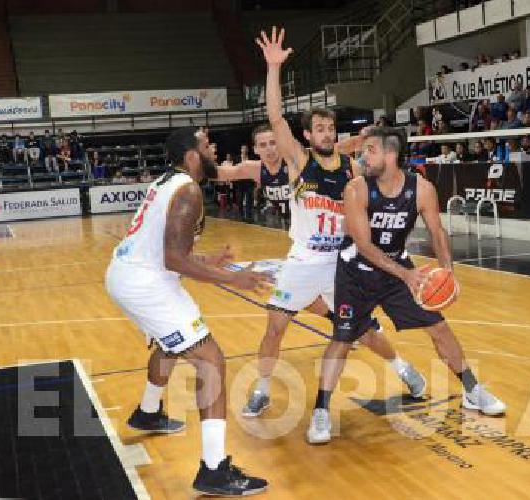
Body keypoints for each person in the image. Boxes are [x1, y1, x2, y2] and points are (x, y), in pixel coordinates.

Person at [242, 26, 428, 418]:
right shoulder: (299, 161)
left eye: (331, 128)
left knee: (364, 330)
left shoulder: (352, 167)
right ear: (308, 135)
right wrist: (274, 68)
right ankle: (260, 390)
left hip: (343, 263)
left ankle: (405, 370)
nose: (327, 133)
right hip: (305, 260)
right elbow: (275, 116)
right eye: (320, 129)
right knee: (275, 325)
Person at [306, 126, 507, 444]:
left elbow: (438, 232)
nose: (362, 156)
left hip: (397, 271)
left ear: (391, 154)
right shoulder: (357, 188)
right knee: (342, 340)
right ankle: (321, 411)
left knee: (439, 327)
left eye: (370, 150)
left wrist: (447, 272)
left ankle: (472, 390)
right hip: (356, 273)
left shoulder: (421, 189)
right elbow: (364, 245)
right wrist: (407, 275)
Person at [104, 127, 270, 496]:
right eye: (207, 146)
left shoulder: (167, 182)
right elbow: (173, 258)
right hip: (146, 283)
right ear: (192, 156)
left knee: (172, 344)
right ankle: (214, 470)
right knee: (209, 359)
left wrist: (208, 261)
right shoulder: (189, 190)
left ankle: (148, 412)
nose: (213, 150)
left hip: (127, 273)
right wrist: (231, 279)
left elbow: (166, 249)